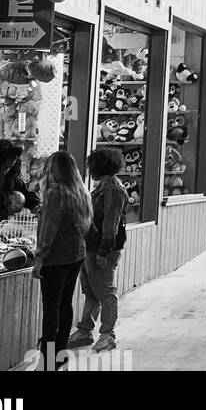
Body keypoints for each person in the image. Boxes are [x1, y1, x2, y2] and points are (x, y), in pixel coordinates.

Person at [32, 150, 92, 369]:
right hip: (76, 255)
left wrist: (40, 258)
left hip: (56, 258)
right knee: (65, 305)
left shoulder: (55, 193)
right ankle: (60, 352)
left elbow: (49, 230)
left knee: (51, 308)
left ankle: (48, 358)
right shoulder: (80, 192)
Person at [67, 146, 128, 353]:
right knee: (92, 291)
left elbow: (111, 223)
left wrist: (104, 251)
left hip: (102, 248)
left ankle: (107, 334)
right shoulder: (102, 188)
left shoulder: (114, 191)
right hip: (91, 246)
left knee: (106, 292)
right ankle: (85, 330)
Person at [0, 137, 40, 258]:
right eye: (6, 167)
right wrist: (5, 212)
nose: (8, 170)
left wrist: (36, 204)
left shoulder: (11, 173)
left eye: (11, 166)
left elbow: (23, 190)